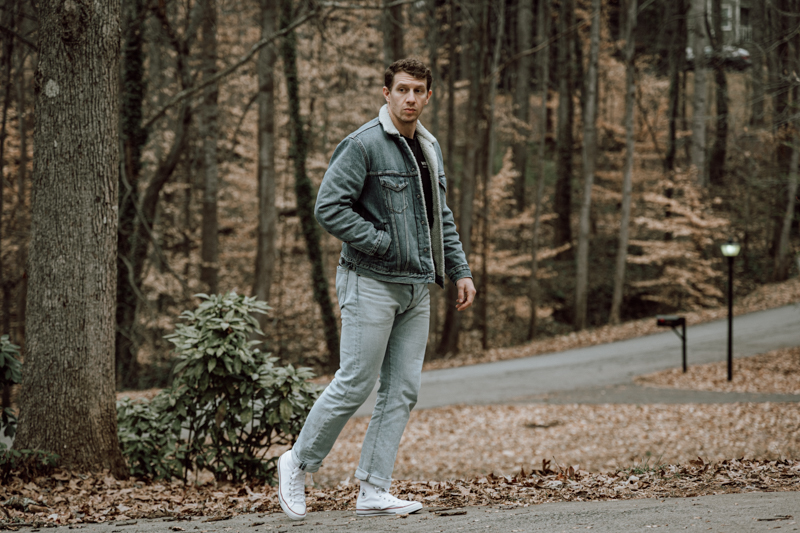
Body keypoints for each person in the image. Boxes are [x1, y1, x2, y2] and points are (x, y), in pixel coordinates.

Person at [277, 58, 476, 521]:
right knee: (355, 383)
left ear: (429, 96)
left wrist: (460, 269)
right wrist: (381, 241)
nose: (410, 98)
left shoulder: (430, 148)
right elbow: (329, 207)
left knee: (402, 390)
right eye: (402, 89)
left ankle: (373, 488)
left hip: (416, 288)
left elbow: (438, 217)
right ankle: (297, 462)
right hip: (369, 282)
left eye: (418, 91)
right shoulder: (364, 144)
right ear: (385, 93)